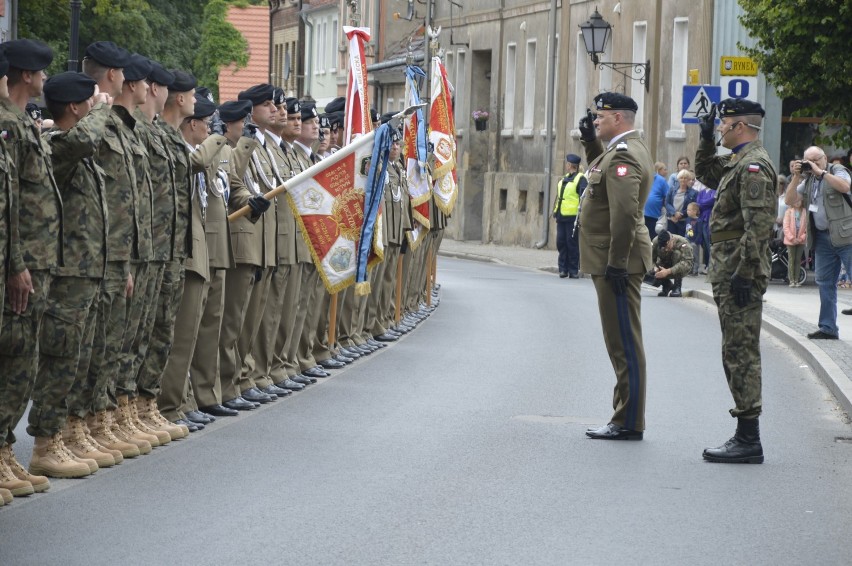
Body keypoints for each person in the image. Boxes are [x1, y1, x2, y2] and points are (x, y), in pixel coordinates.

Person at [695, 97, 777, 464]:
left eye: (724, 126)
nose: (721, 131)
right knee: (734, 349)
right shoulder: (737, 162)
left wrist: (745, 271)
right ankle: (746, 433)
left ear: (739, 126)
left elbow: (758, 226)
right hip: (729, 268)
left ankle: (749, 439)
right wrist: (704, 138)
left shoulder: (754, 165)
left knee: (741, 351)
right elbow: (704, 172)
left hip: (739, 272)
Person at [577, 92, 653, 441]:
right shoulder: (617, 151)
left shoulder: (625, 155)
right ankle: (624, 415)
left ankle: (627, 420)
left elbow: (623, 213)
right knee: (619, 340)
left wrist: (618, 264)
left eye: (600, 118)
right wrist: (591, 143)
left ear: (618, 119)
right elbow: (602, 182)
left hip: (616, 259)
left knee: (624, 341)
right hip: (611, 257)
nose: (596, 121)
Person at [785, 146, 852, 339]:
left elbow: (845, 186)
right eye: (809, 161)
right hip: (822, 238)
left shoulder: (836, 170)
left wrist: (821, 172)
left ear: (825, 158)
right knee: (824, 283)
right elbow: (790, 200)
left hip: (846, 236)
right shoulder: (807, 181)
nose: (812, 164)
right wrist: (797, 176)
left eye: (816, 160)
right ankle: (828, 328)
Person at [552, 153, 586, 278]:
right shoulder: (565, 178)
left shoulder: (581, 179)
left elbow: (583, 197)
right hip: (561, 216)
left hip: (573, 217)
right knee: (561, 242)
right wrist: (555, 212)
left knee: (571, 243)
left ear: (571, 165)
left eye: (567, 163)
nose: (566, 165)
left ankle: (573, 270)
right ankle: (563, 269)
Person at [645, 229, 693, 297]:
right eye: (663, 248)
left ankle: (677, 287)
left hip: (679, 268)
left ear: (671, 240)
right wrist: (654, 268)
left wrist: (668, 271)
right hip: (664, 264)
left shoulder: (683, 243)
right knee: (643, 268)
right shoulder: (656, 241)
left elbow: (687, 263)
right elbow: (649, 259)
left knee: (677, 254)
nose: (666, 249)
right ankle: (667, 285)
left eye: (667, 247)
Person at [665, 168, 698, 236]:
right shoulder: (672, 189)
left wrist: (681, 214)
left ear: (688, 179)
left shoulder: (693, 193)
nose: (683, 180)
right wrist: (674, 213)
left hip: (684, 222)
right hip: (672, 220)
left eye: (685, 178)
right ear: (678, 179)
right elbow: (666, 203)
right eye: (681, 178)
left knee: (682, 242)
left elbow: (693, 207)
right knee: (672, 241)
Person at [782, 199, 807, 287]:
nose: (797, 202)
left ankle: (796, 280)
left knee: (798, 260)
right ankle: (791, 280)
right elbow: (786, 227)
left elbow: (807, 228)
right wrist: (792, 238)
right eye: (795, 200)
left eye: (799, 200)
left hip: (801, 240)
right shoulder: (789, 211)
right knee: (791, 260)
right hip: (790, 240)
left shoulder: (805, 212)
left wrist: (801, 238)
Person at [643, 162, 668, 239]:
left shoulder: (661, 180)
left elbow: (667, 196)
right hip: (641, 216)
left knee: (653, 240)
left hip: (654, 217)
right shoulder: (642, 178)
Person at [684, 202, 701, 275]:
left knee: (695, 256)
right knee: (688, 255)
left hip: (694, 241)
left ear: (695, 211)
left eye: (689, 210)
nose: (687, 212)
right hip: (687, 239)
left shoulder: (699, 221)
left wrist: (696, 241)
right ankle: (689, 269)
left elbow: (700, 232)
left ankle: (695, 270)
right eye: (687, 210)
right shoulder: (687, 219)